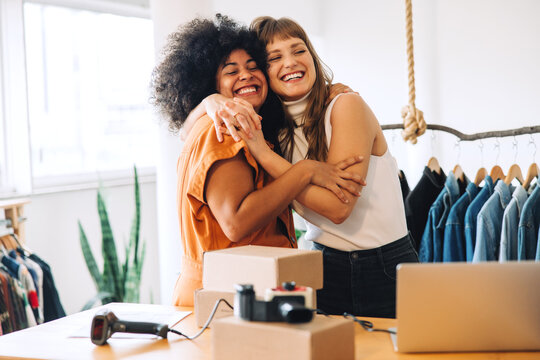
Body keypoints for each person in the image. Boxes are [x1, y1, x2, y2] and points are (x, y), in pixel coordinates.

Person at [183, 16, 419, 317]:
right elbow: (184, 133)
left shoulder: (345, 106)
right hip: (322, 265)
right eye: (274, 58)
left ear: (312, 55)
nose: (290, 63)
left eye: (298, 50)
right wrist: (210, 102)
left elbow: (337, 208)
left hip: (383, 266)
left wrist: (267, 157)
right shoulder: (270, 127)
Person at [150, 15, 365, 306]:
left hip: (235, 292)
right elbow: (236, 222)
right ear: (208, 83)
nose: (246, 75)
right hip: (225, 298)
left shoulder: (234, 127)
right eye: (231, 71)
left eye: (254, 68)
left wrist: (330, 90)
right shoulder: (225, 131)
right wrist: (306, 170)